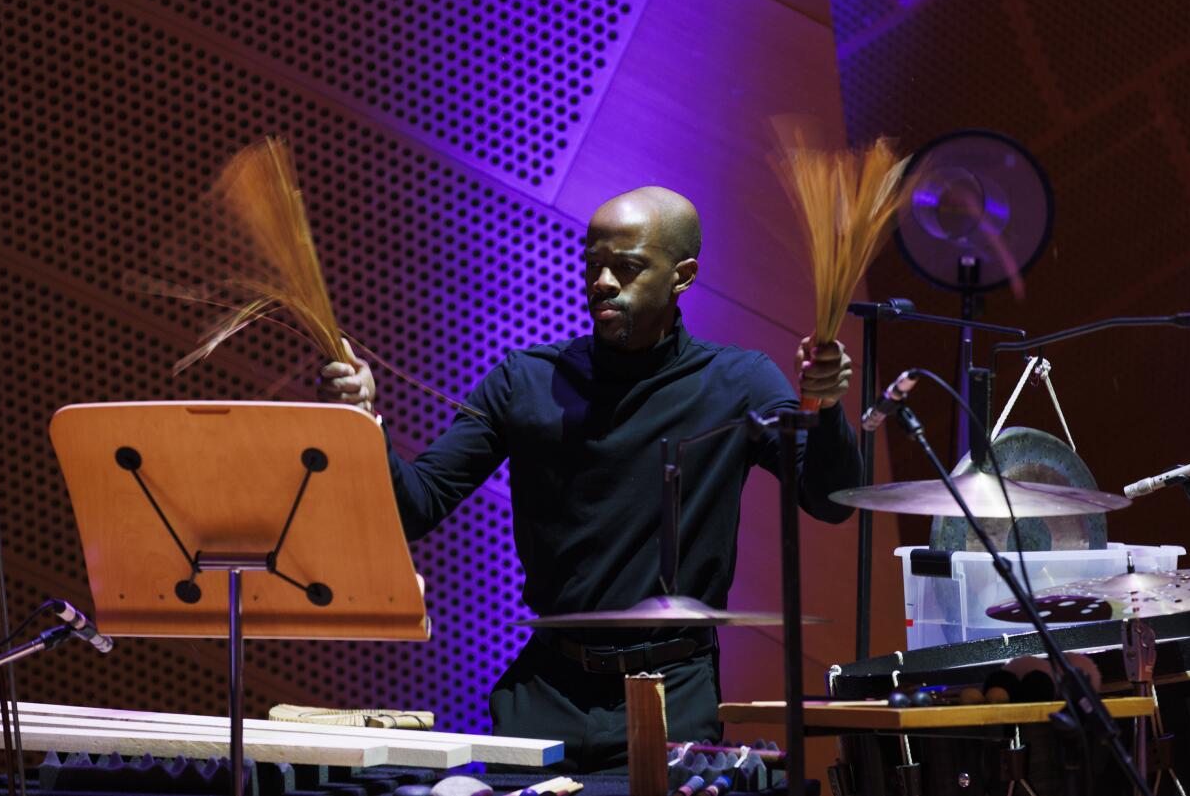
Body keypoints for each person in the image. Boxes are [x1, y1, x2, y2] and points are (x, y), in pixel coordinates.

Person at [319, 186, 862, 771]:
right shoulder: (524, 380)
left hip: (669, 696)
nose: (601, 281)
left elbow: (829, 501)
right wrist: (362, 424)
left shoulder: (738, 381)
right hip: (544, 696)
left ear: (682, 276)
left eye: (626, 267)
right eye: (593, 264)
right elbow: (415, 507)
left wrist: (826, 410)